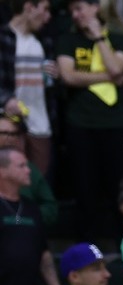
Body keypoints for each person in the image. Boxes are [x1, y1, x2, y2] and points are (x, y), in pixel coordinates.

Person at [55, 0, 123, 247]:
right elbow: (68, 76)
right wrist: (111, 78)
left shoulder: (121, 38)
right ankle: (86, 245)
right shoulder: (67, 40)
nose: (76, 15)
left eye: (79, 9)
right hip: (80, 123)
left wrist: (99, 38)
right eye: (72, 11)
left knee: (119, 187)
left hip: (116, 123)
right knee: (84, 188)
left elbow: (116, 66)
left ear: (95, 8)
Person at [0, 147, 60, 285]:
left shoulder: (32, 208)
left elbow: (44, 255)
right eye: (22, 166)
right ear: (3, 171)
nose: (29, 170)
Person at [1, 0, 56, 176]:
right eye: (45, 10)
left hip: (41, 124)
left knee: (40, 182)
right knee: (11, 183)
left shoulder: (44, 41)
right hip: (10, 124)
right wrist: (6, 100)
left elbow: (51, 85)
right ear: (29, 7)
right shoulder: (3, 38)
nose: (48, 17)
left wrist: (57, 75)